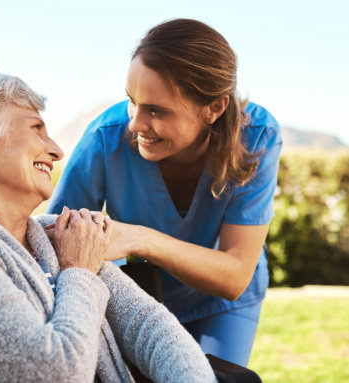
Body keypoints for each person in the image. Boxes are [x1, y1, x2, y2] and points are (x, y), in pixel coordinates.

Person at [0, 72, 216, 382]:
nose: (57, 151)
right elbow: (54, 374)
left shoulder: (55, 233)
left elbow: (150, 328)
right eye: (36, 129)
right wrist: (80, 272)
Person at [47, 18, 282, 367]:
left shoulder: (258, 137)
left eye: (156, 110)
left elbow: (235, 274)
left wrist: (142, 239)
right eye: (132, 101)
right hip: (139, 296)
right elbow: (57, 240)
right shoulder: (104, 137)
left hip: (223, 304)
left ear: (214, 108)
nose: (135, 124)